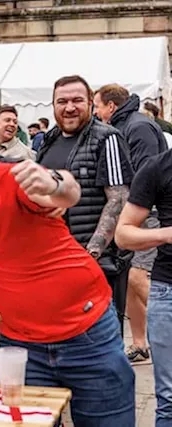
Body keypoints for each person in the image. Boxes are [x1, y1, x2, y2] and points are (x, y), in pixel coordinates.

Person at [0, 112, 135, 426]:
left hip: (88, 335)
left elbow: (68, 191)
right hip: (22, 347)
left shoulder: (14, 178)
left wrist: (54, 182)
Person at [36, 75, 134, 334]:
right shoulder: (49, 140)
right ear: (53, 105)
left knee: (99, 342)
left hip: (95, 266)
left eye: (77, 100)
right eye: (62, 101)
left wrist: (91, 254)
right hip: (52, 263)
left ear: (90, 103)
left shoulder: (107, 138)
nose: (69, 107)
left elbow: (119, 198)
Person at [93, 84, 167, 362]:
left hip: (149, 212)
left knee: (138, 277)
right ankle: (139, 344)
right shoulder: (128, 125)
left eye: (97, 106)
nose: (96, 113)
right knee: (131, 280)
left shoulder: (137, 127)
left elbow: (150, 171)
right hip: (136, 212)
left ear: (111, 106)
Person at [116, 149, 172, 426]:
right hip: (168, 291)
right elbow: (123, 233)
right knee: (170, 401)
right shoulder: (159, 167)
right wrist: (166, 234)